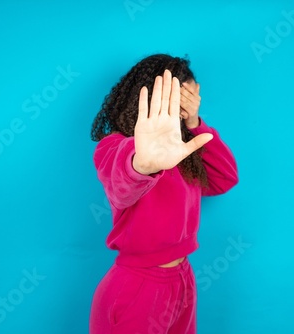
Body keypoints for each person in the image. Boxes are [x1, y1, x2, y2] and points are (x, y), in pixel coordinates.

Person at [89, 53, 238, 333]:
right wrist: (142, 165)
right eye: (189, 94)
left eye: (196, 95)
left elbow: (224, 179)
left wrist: (195, 123)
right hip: (138, 287)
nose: (196, 98)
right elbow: (120, 187)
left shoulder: (184, 151)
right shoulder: (116, 146)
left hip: (182, 280)